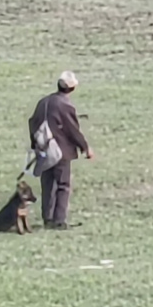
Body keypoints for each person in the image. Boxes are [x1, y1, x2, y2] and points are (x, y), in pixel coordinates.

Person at [29, 70, 94, 229]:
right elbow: (72, 130)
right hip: (61, 151)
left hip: (43, 150)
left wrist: (35, 145)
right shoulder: (65, 105)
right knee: (63, 185)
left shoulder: (43, 102)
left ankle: (48, 218)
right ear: (72, 89)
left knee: (47, 184)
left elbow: (32, 122)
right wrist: (85, 148)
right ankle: (59, 220)